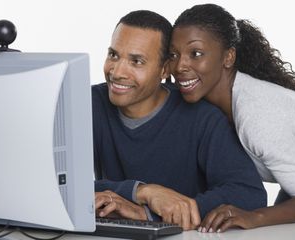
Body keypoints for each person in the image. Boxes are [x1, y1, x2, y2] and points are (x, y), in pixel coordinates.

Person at [93, 10, 266, 231]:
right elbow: (51, 182)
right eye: (113, 55)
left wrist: (151, 214)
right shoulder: (89, 104)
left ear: (165, 69)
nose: (116, 72)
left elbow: (248, 192)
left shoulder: (203, 118)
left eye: (136, 61)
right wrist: (142, 191)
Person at [169, 3, 295, 233]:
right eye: (173, 54)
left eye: (195, 54)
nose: (180, 66)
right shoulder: (212, 110)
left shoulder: (257, 116)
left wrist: (254, 217)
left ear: (228, 57)